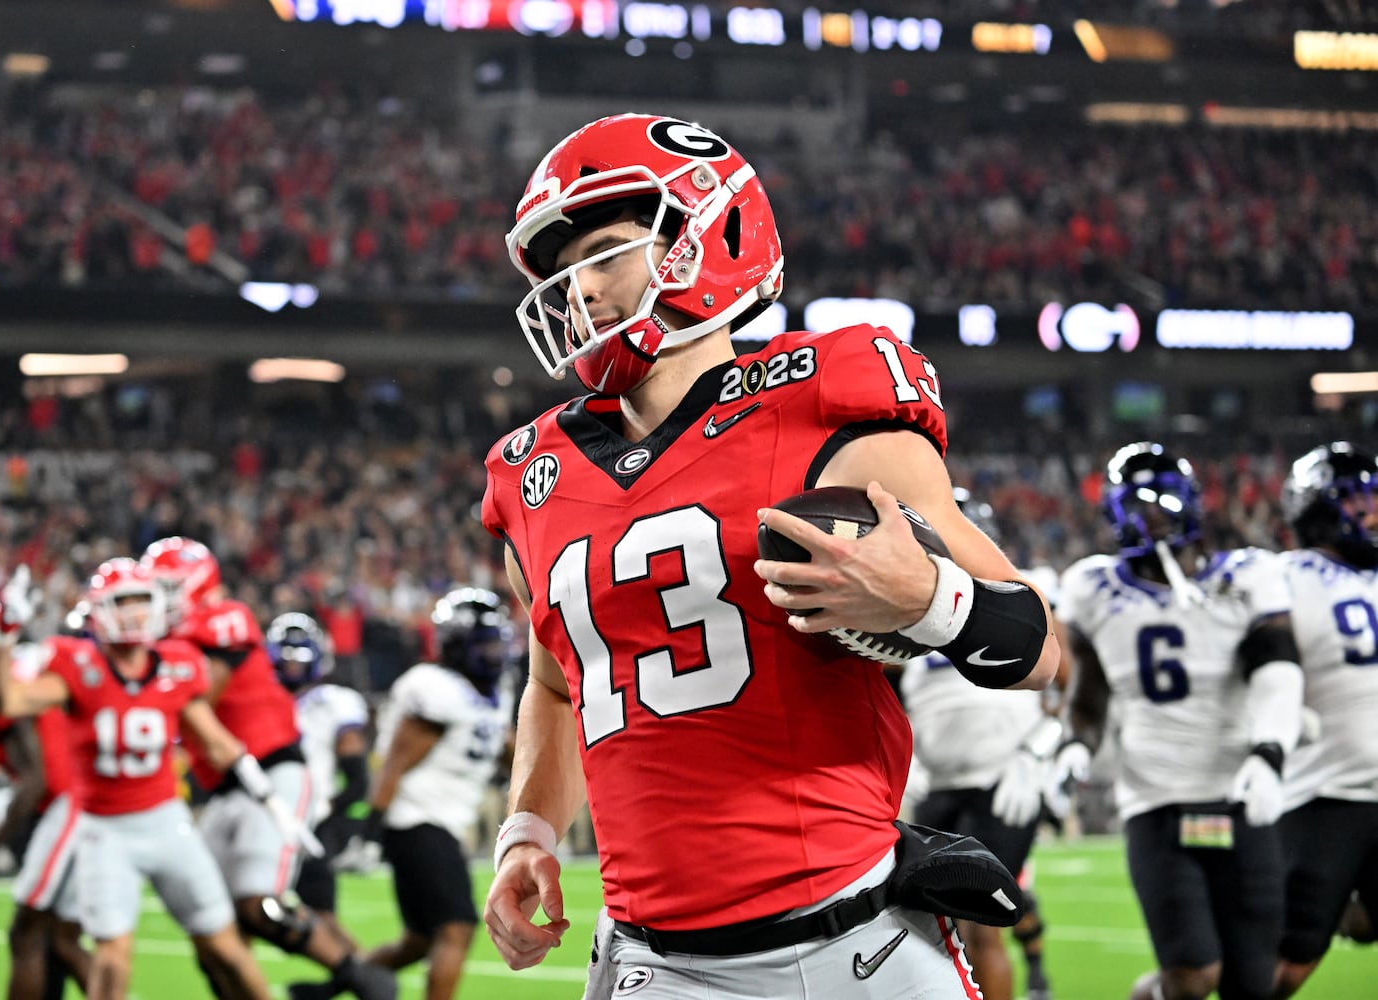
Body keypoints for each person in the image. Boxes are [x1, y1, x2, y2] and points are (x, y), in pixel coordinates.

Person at [480, 112, 1058, 999]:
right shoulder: (534, 477)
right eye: (562, 273)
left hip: (850, 945)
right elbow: (556, 683)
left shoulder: (826, 406)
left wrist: (932, 597)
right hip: (648, 959)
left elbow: (1040, 651)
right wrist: (529, 832)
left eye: (603, 253)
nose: (578, 292)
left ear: (705, 238)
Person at [1053, 442, 1301, 1000]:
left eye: (1162, 499)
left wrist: (1270, 753)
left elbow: (1277, 670)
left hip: (1243, 794)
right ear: (1114, 512)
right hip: (1156, 801)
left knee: (1253, 984)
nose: (1153, 515)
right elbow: (1090, 695)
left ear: (1191, 502)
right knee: (1191, 980)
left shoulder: (1247, 574)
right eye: (1137, 504)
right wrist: (1074, 745)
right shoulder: (1093, 586)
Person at [0, 558, 295, 1000]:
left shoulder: (178, 664)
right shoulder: (77, 667)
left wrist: (273, 800)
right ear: (99, 610)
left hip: (166, 821)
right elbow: (7, 701)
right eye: (121, 602)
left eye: (139, 601)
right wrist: (4, 638)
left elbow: (218, 742)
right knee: (112, 956)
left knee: (224, 945)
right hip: (105, 831)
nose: (132, 613)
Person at [140, 538, 395, 1000]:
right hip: (223, 787)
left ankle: (363, 979)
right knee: (210, 928)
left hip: (270, 774)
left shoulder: (223, 619)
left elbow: (197, 695)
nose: (155, 599)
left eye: (165, 587)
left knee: (260, 905)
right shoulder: (170, 639)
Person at [288, 588, 516, 1000]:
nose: (493, 653)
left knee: (419, 940)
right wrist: (370, 830)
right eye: (482, 643)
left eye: (495, 642)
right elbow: (395, 763)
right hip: (417, 821)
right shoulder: (435, 687)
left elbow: (502, 747)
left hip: (436, 822)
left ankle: (332, 989)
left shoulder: (490, 694)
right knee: (456, 927)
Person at [897, 493, 1061, 1000]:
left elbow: (1075, 688)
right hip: (940, 784)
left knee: (978, 922)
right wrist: (905, 758)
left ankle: (1032, 974)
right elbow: (886, 691)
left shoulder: (1021, 590)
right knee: (919, 922)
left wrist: (1043, 750)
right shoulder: (896, 601)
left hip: (1001, 779)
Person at [0, 590, 91, 999]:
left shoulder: (4, 689)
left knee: (28, 934)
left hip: (67, 806)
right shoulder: (1, 685)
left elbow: (35, 779)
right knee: (57, 937)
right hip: (73, 804)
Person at [1273, 442, 1378, 997]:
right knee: (1284, 967)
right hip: (1324, 792)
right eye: (1357, 502)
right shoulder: (1285, 576)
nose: (1372, 512)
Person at [268, 612, 373, 946]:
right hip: (264, 819)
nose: (294, 667)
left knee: (321, 917)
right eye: (287, 657)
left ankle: (364, 978)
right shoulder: (258, 701)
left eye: (301, 658)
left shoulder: (334, 703)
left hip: (311, 822)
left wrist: (328, 813)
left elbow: (358, 779)